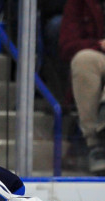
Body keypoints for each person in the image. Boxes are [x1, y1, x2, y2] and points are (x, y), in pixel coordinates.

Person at [59, 0, 105, 174]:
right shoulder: (79, 3)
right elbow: (66, 46)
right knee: (84, 60)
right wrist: (99, 45)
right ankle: (95, 144)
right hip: (98, 55)